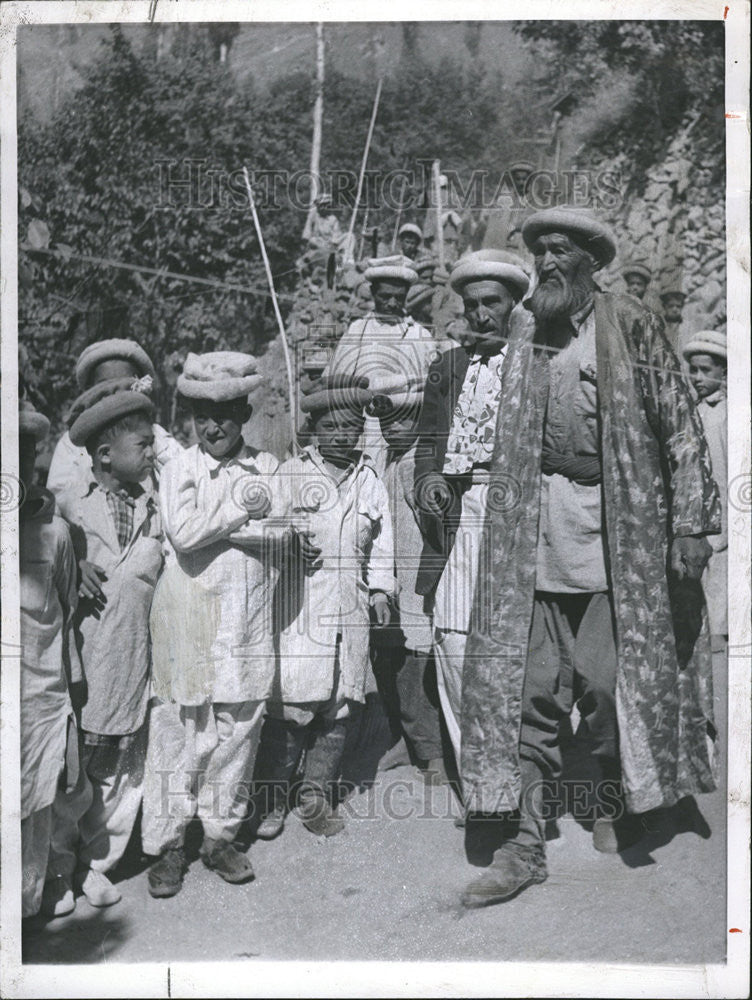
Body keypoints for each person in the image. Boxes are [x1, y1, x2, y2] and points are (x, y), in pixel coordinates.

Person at [459, 206, 721, 908]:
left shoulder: (629, 321)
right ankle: (522, 839)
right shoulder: (522, 326)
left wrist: (691, 523)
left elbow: (681, 423)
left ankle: (613, 796)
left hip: (615, 527)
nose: (546, 262)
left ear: (590, 262)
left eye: (560, 251)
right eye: (539, 250)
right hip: (531, 530)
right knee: (526, 689)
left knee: (606, 684)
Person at [142, 352, 284, 898]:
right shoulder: (180, 466)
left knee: (237, 733)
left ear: (245, 413)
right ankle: (170, 845)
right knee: (179, 734)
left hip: (245, 622)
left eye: (226, 412)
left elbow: (285, 534)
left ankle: (220, 837)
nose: (214, 425)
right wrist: (243, 513)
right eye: (203, 414)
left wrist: (227, 526)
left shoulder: (268, 468)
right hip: (189, 620)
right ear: (192, 417)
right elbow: (182, 532)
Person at [252, 375, 395, 839]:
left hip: (349, 609)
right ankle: (273, 797)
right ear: (313, 428)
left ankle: (314, 793)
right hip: (299, 609)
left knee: (340, 705)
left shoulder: (369, 481)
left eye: (351, 428)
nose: (342, 436)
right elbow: (266, 532)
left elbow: (381, 545)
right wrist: (287, 540)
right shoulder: (291, 475)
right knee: (291, 705)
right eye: (331, 427)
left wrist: (380, 592)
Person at [413, 249, 530, 765]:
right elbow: (426, 445)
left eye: (493, 303)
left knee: (513, 646)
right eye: (472, 304)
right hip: (460, 513)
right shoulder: (448, 367)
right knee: (454, 641)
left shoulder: (535, 366)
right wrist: (430, 481)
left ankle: (513, 769)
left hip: (517, 515)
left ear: (513, 306)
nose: (481, 314)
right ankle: (475, 774)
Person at [54, 379, 164, 909]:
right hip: (84, 664)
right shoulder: (69, 511)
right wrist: (74, 569)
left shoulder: (157, 510)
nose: (152, 451)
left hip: (132, 664)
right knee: (74, 777)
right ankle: (60, 868)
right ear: (104, 454)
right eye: (141, 443)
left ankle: (98, 865)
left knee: (121, 776)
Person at [18, 401, 83, 919]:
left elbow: (66, 606)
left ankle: (30, 903)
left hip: (37, 704)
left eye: (23, 455)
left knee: (37, 803)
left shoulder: (53, 534)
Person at [368, 383, 446, 782]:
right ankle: (406, 736)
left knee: (417, 664)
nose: (392, 427)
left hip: (416, 579)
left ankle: (431, 749)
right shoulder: (387, 459)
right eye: (385, 420)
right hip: (390, 576)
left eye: (403, 418)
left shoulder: (419, 461)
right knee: (389, 659)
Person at [326, 256, 436, 475]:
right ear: (374, 293)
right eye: (385, 296)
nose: (392, 303)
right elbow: (337, 382)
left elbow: (431, 388)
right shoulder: (358, 330)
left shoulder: (420, 334)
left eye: (399, 297)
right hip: (363, 427)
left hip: (405, 431)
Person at [46, 338, 181, 497]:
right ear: (92, 392)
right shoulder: (73, 444)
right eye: (105, 385)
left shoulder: (157, 438)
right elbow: (59, 497)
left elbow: (182, 481)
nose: (116, 392)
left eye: (126, 385)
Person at [683, 331, 728, 645]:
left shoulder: (729, 415)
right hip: (699, 529)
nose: (697, 377)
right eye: (693, 370)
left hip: (725, 533)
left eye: (705, 370)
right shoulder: (695, 413)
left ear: (723, 371)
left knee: (723, 618)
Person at [659, 290, 688, 354]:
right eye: (671, 306)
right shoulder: (658, 325)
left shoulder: (686, 326)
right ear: (664, 307)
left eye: (678, 306)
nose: (674, 310)